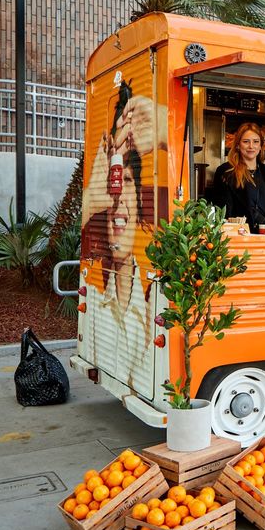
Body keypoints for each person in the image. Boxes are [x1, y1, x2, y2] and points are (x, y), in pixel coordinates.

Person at [82, 80, 160, 388]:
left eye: (128, 181)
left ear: (141, 199)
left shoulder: (157, 297)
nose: (116, 201)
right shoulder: (97, 294)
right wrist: (91, 200)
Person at [212, 122, 265, 230]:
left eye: (256, 142)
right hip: (241, 237)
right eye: (246, 142)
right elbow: (220, 210)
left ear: (260, 146)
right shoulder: (226, 172)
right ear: (238, 145)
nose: (251, 146)